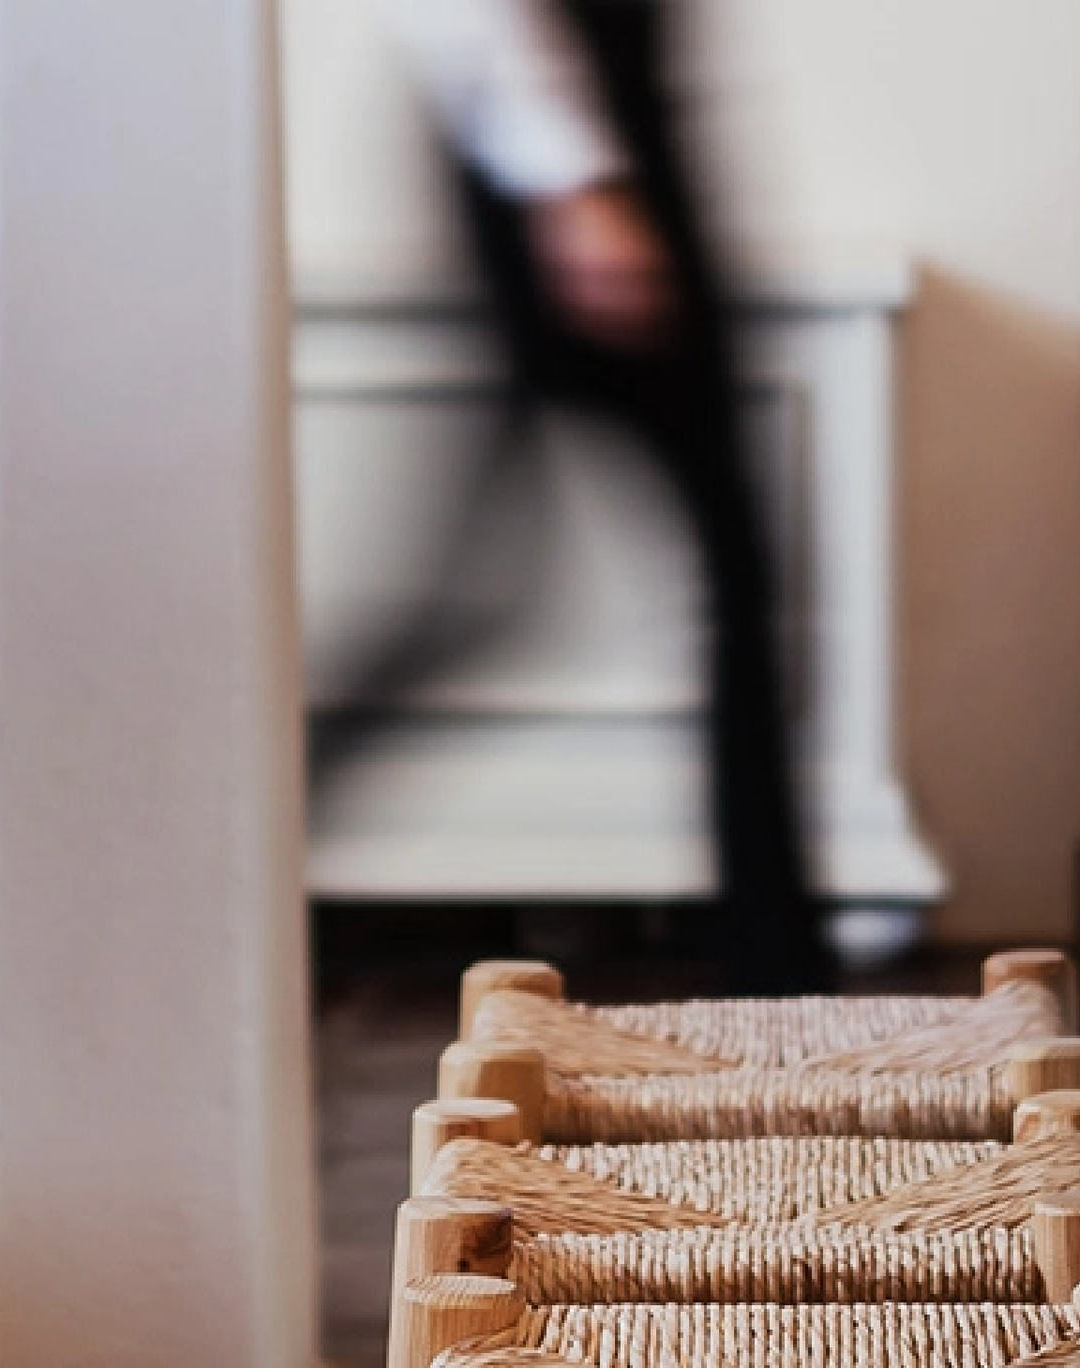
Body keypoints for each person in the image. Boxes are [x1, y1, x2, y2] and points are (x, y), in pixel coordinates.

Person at [363, 0, 834, 995]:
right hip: (577, 147)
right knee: (726, 573)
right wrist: (575, 179)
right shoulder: (572, 161)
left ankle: (778, 960)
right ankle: (779, 969)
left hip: (588, 132)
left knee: (502, 581)